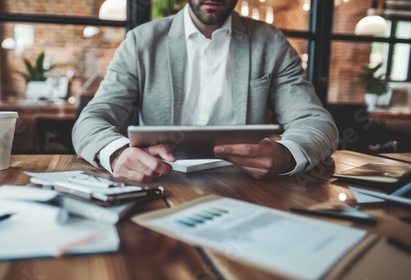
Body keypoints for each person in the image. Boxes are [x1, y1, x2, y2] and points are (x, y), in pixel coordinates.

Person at [73, 0, 338, 183]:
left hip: (247, 185)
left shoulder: (270, 43)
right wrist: (118, 153)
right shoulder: (140, 42)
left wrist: (287, 155)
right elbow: (91, 119)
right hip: (159, 181)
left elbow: (315, 121)